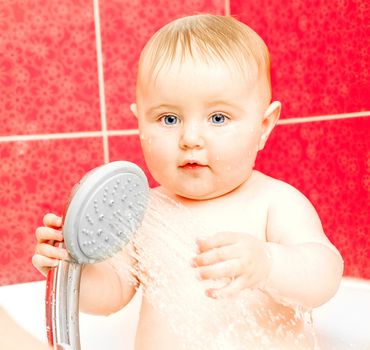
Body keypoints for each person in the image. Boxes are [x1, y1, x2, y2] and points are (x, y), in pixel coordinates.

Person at [32, 14, 343, 349]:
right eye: (169, 118)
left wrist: (268, 263)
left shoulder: (274, 202)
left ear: (263, 126)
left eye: (218, 117)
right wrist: (69, 268)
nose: (190, 138)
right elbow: (110, 297)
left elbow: (323, 278)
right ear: (140, 125)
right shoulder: (143, 213)